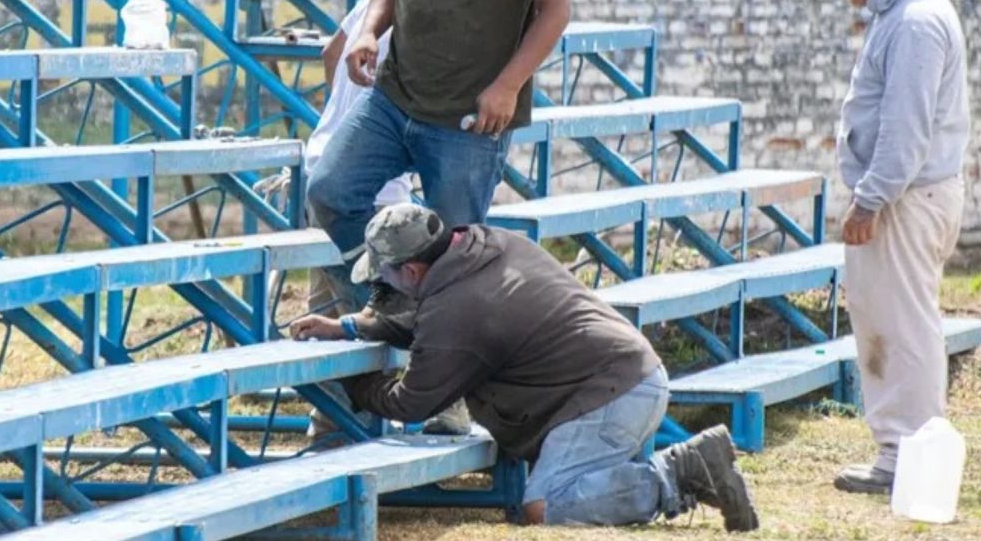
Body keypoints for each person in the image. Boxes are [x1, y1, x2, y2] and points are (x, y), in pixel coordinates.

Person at [292, 204, 760, 531]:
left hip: (606, 398)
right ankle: (681, 471)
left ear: (412, 271)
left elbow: (413, 400)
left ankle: (682, 473)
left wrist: (354, 384)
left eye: (386, 275)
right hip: (625, 379)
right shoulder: (488, 246)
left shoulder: (459, 310)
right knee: (559, 492)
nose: (382, 285)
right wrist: (351, 328)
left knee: (545, 505)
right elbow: (432, 328)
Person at [305, 0, 571, 310]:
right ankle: (390, 302)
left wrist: (508, 85)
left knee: (458, 253)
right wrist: (367, 31)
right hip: (394, 98)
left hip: (467, 120)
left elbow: (555, 9)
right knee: (330, 191)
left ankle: (449, 362)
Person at [820, 0, 970, 494]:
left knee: (900, 327)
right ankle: (903, 452)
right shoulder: (903, 12)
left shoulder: (914, 21)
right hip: (905, 196)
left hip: (904, 200)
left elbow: (905, 128)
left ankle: (904, 456)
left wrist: (870, 199)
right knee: (896, 321)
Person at [304, 0, 414, 319]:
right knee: (374, 321)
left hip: (321, 162)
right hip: (375, 190)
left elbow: (331, 52)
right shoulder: (421, 4)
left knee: (323, 313)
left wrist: (342, 119)